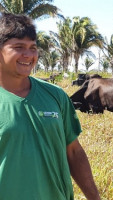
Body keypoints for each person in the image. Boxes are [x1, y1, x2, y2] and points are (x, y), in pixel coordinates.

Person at [0, 12, 100, 200]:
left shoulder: (56, 96)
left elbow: (74, 151)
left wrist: (94, 197)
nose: (28, 55)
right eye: (18, 47)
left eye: (33, 47)